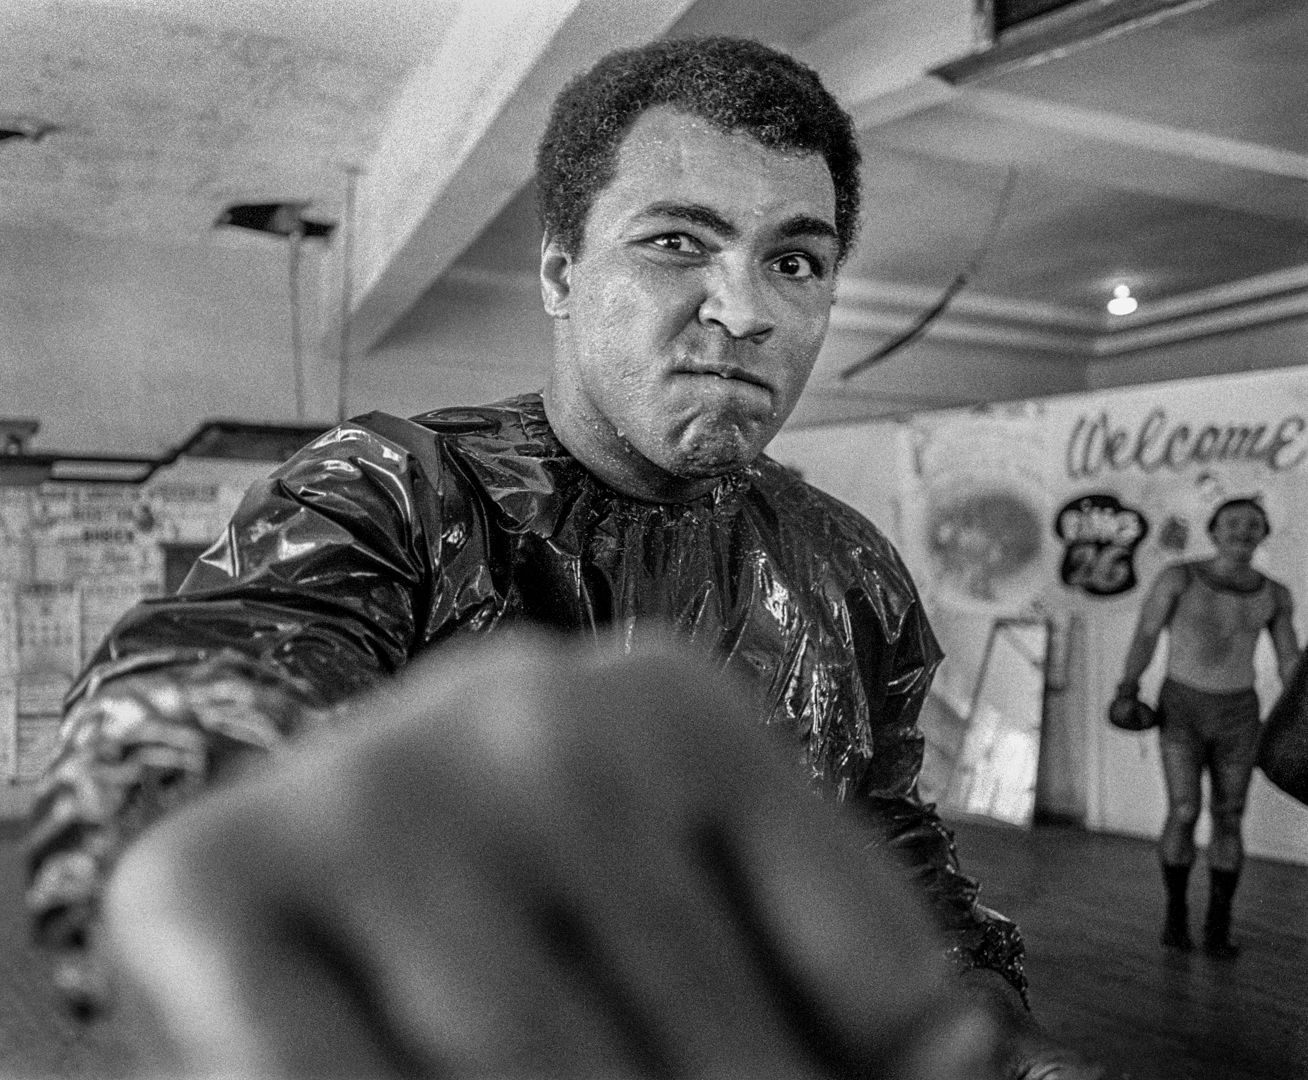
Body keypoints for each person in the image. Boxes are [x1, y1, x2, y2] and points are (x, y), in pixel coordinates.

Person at [27, 36, 1100, 1078]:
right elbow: (194, 693)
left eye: (794, 259)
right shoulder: (394, 491)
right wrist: (227, 822)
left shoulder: (848, 566)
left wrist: (997, 1036)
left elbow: (886, 823)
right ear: (559, 272)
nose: (745, 310)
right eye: (678, 242)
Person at [1112, 496, 1299, 958]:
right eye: (1232, 522)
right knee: (1182, 811)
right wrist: (1127, 689)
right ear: (1213, 530)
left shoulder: (1274, 594)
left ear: (1264, 534)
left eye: (1253, 524)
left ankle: (1218, 925)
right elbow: (1146, 635)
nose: (1242, 530)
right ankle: (1176, 915)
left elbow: (1290, 660)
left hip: (1239, 715)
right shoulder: (1179, 577)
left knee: (1229, 815)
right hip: (1182, 710)